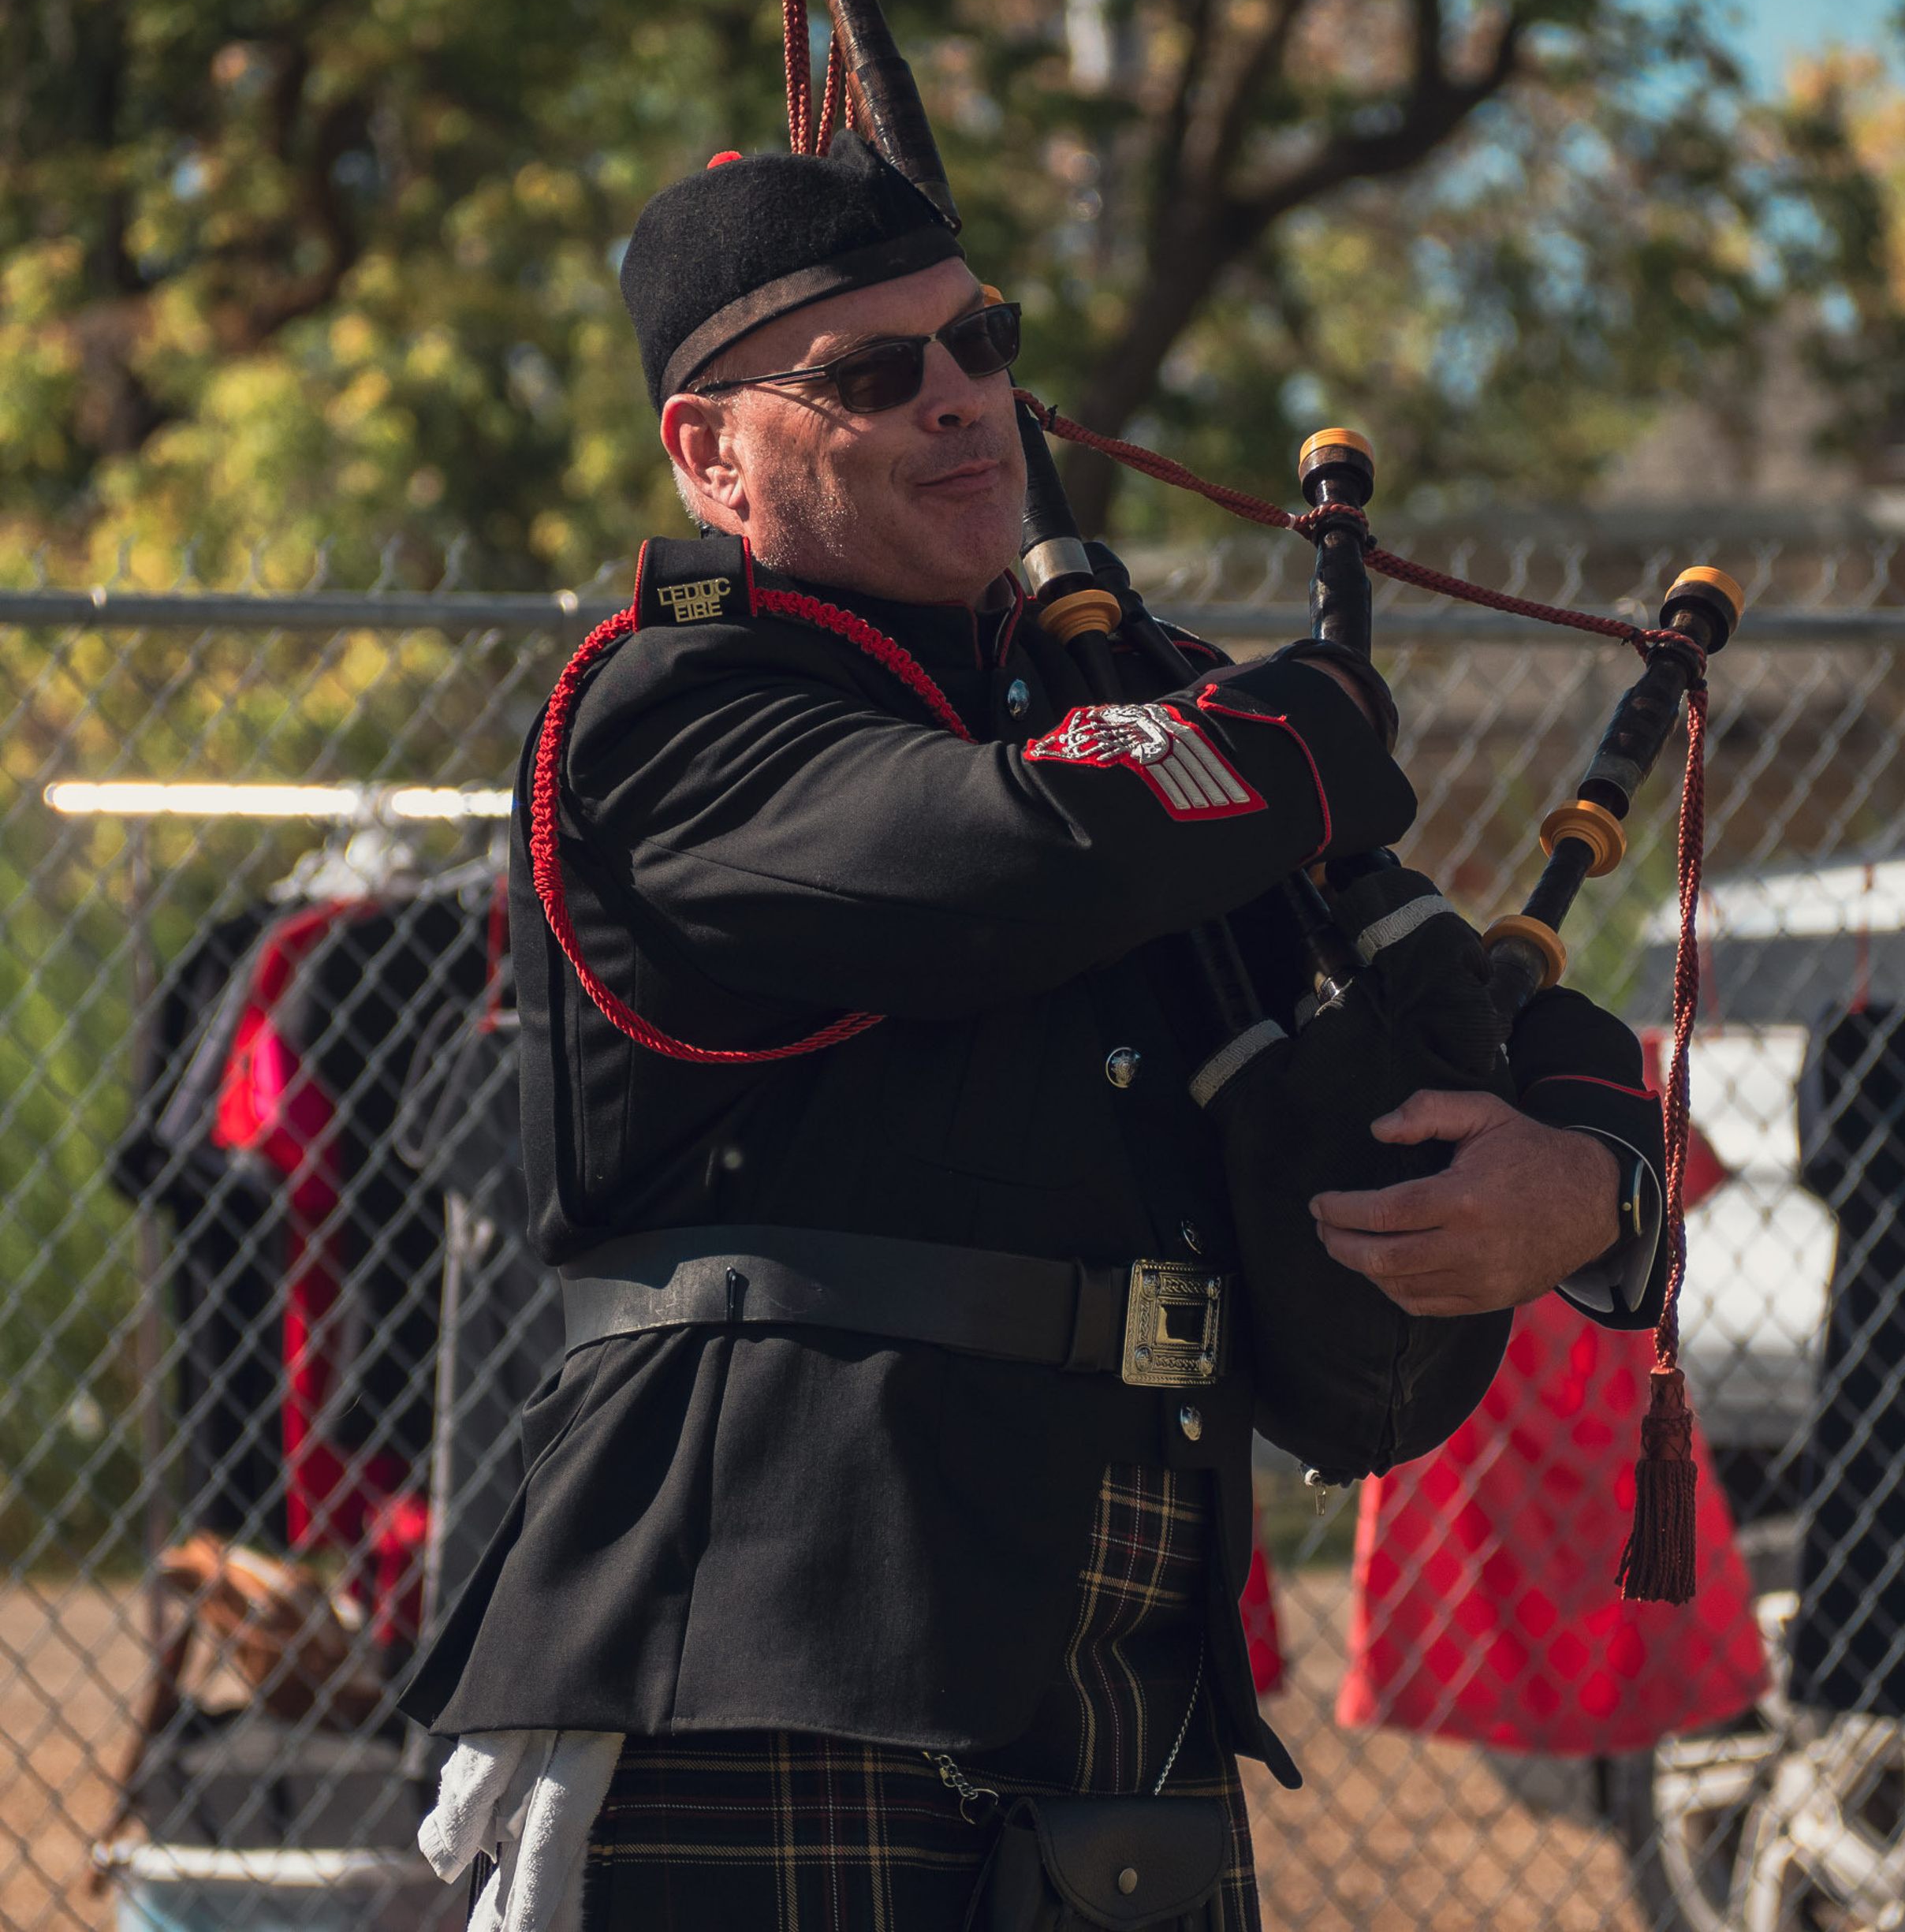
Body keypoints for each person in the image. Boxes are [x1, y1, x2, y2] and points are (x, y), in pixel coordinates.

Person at [400, 132, 1671, 1932]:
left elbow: (1453, 997)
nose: (960, 397)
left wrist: (1587, 1182)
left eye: (978, 339)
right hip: (767, 1640)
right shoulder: (670, 698)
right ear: (708, 451)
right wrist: (1289, 732)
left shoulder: (1107, 704)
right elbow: (995, 851)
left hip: (1120, 1657)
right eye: (870, 372)